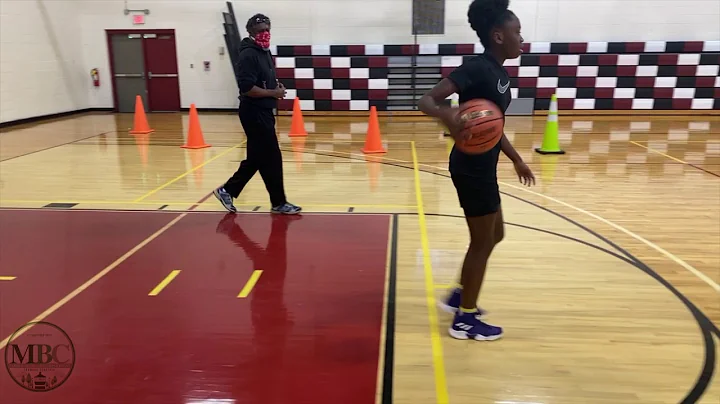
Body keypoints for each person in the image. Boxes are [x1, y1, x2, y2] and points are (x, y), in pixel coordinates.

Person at [418, 0, 535, 341]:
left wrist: (515, 158)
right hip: (471, 168)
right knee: (481, 242)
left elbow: (492, 126)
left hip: (484, 166)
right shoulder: (477, 68)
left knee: (495, 234)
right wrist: (448, 116)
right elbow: (428, 100)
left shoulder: (500, 73)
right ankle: (465, 319)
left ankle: (458, 295)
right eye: (517, 32)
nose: (521, 39)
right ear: (498, 36)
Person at [213, 13, 301, 215]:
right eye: (261, 30)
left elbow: (263, 79)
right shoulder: (248, 54)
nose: (265, 33)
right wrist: (273, 93)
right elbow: (246, 88)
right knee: (269, 157)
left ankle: (232, 191)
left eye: (267, 29)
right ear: (251, 31)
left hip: (264, 111)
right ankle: (274, 201)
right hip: (253, 112)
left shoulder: (264, 51)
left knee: (260, 157)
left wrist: (274, 86)